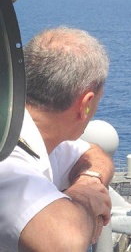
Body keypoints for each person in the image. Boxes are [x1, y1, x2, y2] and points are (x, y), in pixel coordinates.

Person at [0, 26, 114, 251]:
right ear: (85, 104)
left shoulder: (36, 134)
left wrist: (89, 179)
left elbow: (93, 154)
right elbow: (64, 242)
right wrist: (84, 197)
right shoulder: (8, 155)